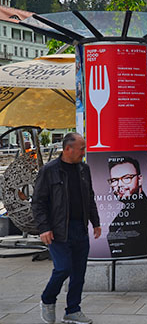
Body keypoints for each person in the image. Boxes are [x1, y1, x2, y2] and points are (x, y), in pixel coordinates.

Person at [32, 133, 100, 324]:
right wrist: (44, 227)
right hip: (58, 229)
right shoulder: (49, 170)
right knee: (63, 268)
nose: (84, 152)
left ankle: (73, 310)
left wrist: (95, 222)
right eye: (81, 148)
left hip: (80, 227)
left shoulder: (84, 170)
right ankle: (47, 299)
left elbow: (90, 197)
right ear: (68, 149)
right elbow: (38, 202)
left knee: (79, 272)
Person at [106, 156, 147, 258]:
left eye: (127, 178)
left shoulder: (146, 212)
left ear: (139, 180)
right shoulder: (127, 211)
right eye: (114, 180)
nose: (120, 185)